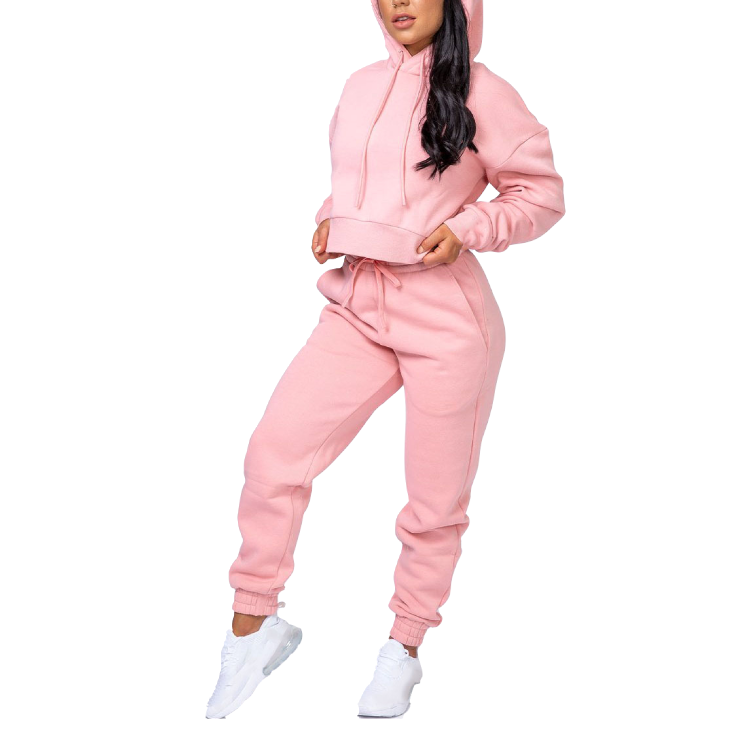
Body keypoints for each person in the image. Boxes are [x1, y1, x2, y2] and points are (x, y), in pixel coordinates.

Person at [206, 0, 565, 720]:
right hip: (359, 301)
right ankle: (253, 623)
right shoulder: (360, 84)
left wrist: (469, 227)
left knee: (433, 502)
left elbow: (542, 194)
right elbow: (363, 180)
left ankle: (404, 646)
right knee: (274, 454)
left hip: (448, 319)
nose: (398, 1)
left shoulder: (484, 91)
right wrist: (331, 219)